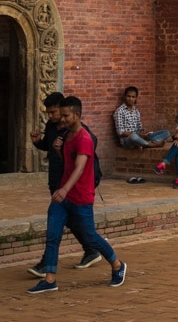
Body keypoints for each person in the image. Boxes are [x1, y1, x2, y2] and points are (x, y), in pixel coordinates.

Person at [28, 96, 126, 293]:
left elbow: (80, 168)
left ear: (77, 115)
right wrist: (56, 151)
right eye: (61, 115)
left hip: (80, 197)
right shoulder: (64, 136)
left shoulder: (84, 138)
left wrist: (64, 189)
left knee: (90, 236)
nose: (61, 119)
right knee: (53, 235)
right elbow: (68, 163)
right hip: (62, 197)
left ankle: (117, 265)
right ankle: (50, 279)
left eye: (65, 116)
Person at [29, 91, 99, 273]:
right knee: (69, 221)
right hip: (57, 179)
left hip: (72, 184)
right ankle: (92, 250)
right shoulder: (53, 127)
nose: (51, 116)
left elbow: (85, 156)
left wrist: (67, 187)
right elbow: (50, 145)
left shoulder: (77, 131)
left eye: (54, 112)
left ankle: (48, 264)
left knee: (59, 222)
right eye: (48, 113)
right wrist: (38, 143)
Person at [112, 86, 169, 159]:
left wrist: (144, 134)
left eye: (133, 97)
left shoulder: (136, 111)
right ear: (124, 97)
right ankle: (151, 144)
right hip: (127, 141)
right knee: (133, 136)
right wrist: (137, 135)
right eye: (128, 96)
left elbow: (140, 127)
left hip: (139, 137)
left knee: (166, 132)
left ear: (136, 98)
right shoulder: (119, 112)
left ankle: (141, 143)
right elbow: (120, 132)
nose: (130, 99)